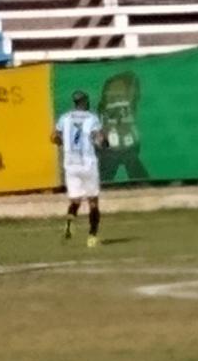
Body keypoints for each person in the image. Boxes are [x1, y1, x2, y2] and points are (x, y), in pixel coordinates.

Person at [52, 90, 105, 247]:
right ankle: (92, 237)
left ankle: (69, 223)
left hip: (71, 164)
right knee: (93, 201)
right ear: (85, 101)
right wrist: (103, 142)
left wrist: (63, 142)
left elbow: (53, 137)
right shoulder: (92, 118)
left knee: (75, 200)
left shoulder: (65, 118)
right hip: (88, 163)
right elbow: (99, 138)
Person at [98, 71, 148, 182]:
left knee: (135, 169)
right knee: (104, 175)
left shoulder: (129, 106)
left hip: (128, 147)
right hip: (110, 149)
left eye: (119, 93)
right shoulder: (104, 109)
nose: (115, 95)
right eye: (112, 92)